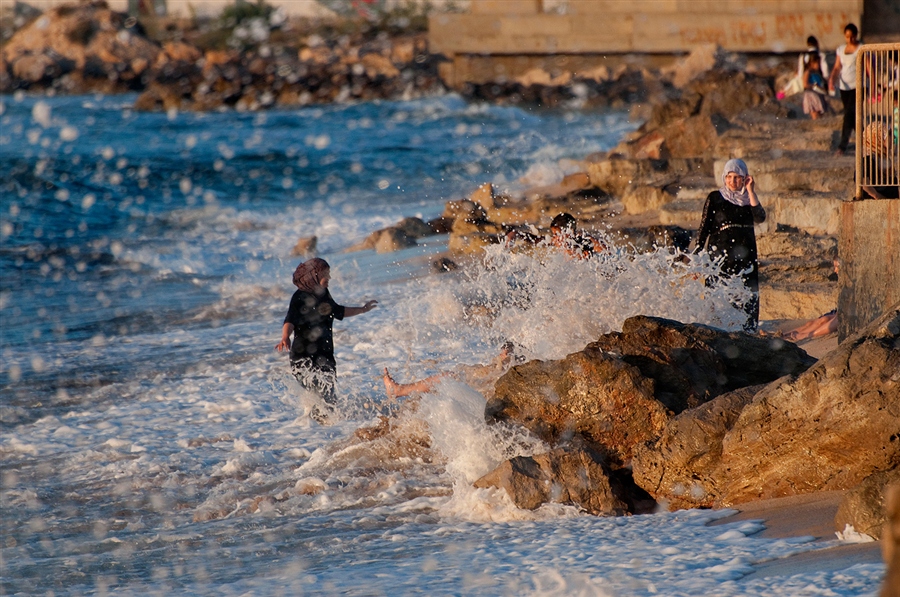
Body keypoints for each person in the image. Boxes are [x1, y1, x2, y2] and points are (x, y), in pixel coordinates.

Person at [276, 258, 377, 421]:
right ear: (314, 275)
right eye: (326, 275)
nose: (329, 278)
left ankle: (329, 430)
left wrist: (362, 309)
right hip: (303, 358)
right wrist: (285, 337)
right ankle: (312, 427)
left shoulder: (323, 294)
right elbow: (290, 319)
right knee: (319, 395)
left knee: (330, 399)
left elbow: (338, 311)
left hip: (324, 355)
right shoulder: (299, 296)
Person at [694, 158, 766, 332]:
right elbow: (704, 229)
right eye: (729, 177)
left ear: (744, 178)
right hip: (720, 255)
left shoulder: (749, 199)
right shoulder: (715, 197)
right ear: (724, 177)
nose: (733, 181)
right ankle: (718, 332)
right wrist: (697, 257)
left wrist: (750, 190)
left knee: (747, 295)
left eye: (737, 177)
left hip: (746, 255)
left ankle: (747, 334)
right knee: (719, 294)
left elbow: (760, 217)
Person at [383, 341, 523, 401]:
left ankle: (400, 390)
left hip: (475, 392)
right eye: (503, 352)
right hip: (473, 390)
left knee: (448, 378)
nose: (500, 355)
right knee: (448, 379)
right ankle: (400, 390)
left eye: (504, 353)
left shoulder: (507, 368)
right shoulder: (499, 367)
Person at [828, 23, 861, 155]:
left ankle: (842, 145)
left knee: (848, 114)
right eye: (847, 37)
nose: (850, 39)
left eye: (852, 36)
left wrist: (875, 87)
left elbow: (869, 68)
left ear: (856, 36)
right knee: (853, 116)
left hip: (858, 86)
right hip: (844, 87)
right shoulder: (841, 49)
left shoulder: (861, 48)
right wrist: (832, 80)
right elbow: (837, 67)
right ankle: (865, 139)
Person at [802, 51, 830, 120]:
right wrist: (814, 86)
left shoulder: (817, 73)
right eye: (817, 63)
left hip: (818, 94)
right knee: (814, 113)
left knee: (821, 113)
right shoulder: (807, 72)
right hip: (811, 95)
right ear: (811, 63)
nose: (819, 65)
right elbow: (805, 85)